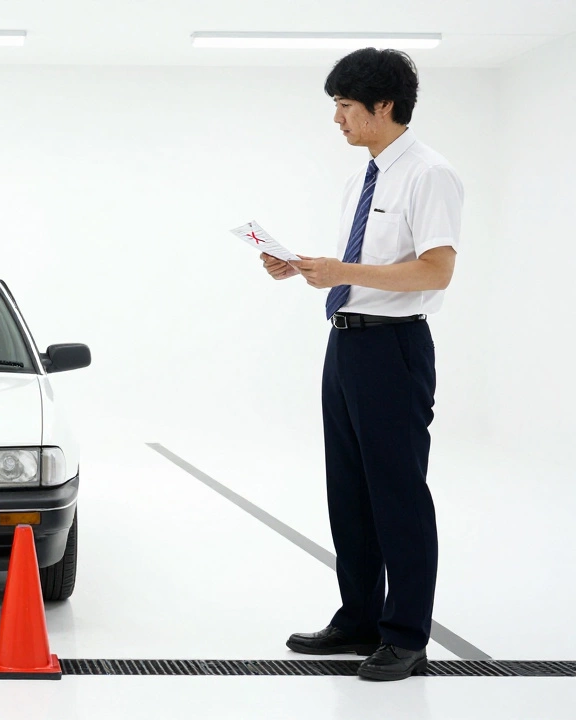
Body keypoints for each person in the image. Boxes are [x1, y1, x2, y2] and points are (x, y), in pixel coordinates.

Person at [261, 48, 464, 681]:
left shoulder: (430, 174)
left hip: (393, 349)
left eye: (345, 106)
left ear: (384, 105)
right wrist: (306, 268)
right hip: (346, 342)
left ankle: (405, 634)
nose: (338, 119)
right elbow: (369, 264)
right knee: (348, 490)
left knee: (397, 495)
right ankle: (358, 618)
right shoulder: (365, 175)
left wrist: (342, 272)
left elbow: (437, 270)